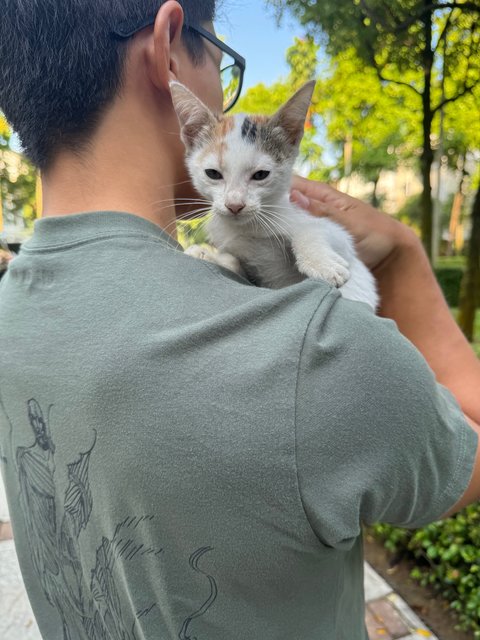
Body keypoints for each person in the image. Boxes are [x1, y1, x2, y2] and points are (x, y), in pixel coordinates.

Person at [0, 1, 479, 638]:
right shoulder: (318, 345)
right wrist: (408, 258)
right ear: (168, 50)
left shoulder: (12, 311)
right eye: (224, 61)